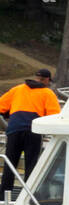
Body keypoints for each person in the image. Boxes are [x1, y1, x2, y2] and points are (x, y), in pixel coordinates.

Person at [0, 68, 60, 198]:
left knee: (9, 165)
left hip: (14, 131)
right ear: (47, 80)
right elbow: (54, 116)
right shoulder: (47, 93)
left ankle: (3, 198)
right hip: (33, 132)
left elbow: (1, 107)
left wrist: (8, 114)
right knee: (31, 166)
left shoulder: (17, 89)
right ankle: (28, 198)